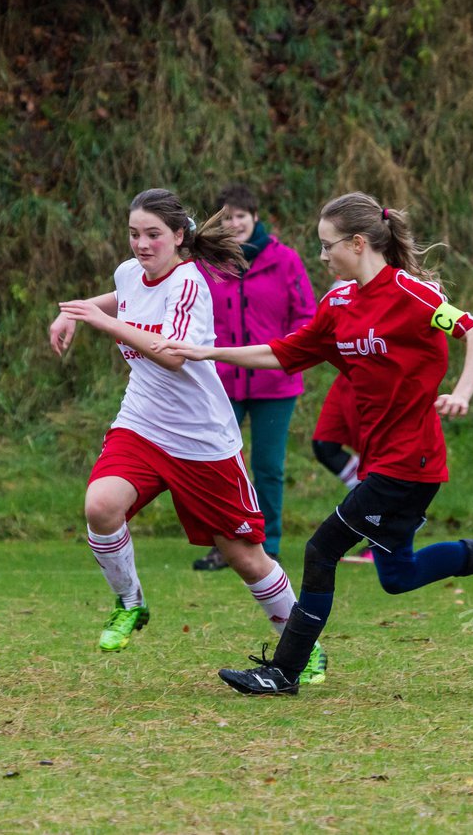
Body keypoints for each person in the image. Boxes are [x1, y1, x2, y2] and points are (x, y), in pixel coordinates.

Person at [154, 191, 473, 696]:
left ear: (358, 242)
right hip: (383, 460)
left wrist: (462, 392)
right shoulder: (339, 303)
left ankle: (283, 671)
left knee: (321, 549)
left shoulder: (412, 294)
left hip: (412, 460)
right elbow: (285, 353)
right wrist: (206, 352)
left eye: (328, 246)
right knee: (399, 574)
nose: (321, 257)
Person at [48, 187, 327, 684]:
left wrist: (105, 323)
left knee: (244, 556)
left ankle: (303, 644)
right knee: (100, 506)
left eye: (153, 234)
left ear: (179, 236)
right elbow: (122, 296)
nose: (141, 244)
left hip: (201, 440)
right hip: (142, 425)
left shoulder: (191, 284)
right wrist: (73, 312)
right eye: (134, 233)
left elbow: (174, 354)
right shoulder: (130, 272)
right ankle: (131, 603)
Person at [191, 184, 317, 571]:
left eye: (241, 216)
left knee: (268, 465)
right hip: (220, 382)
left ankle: (269, 544)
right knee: (219, 466)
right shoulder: (204, 264)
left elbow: (307, 316)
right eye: (227, 217)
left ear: (255, 218)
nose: (235, 223)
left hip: (274, 383)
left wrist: (286, 355)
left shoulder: (286, 261)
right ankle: (225, 546)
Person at [311, 369, 375, 563]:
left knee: (375, 454)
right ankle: (375, 499)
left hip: (375, 372)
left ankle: (380, 542)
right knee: (324, 445)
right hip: (348, 373)